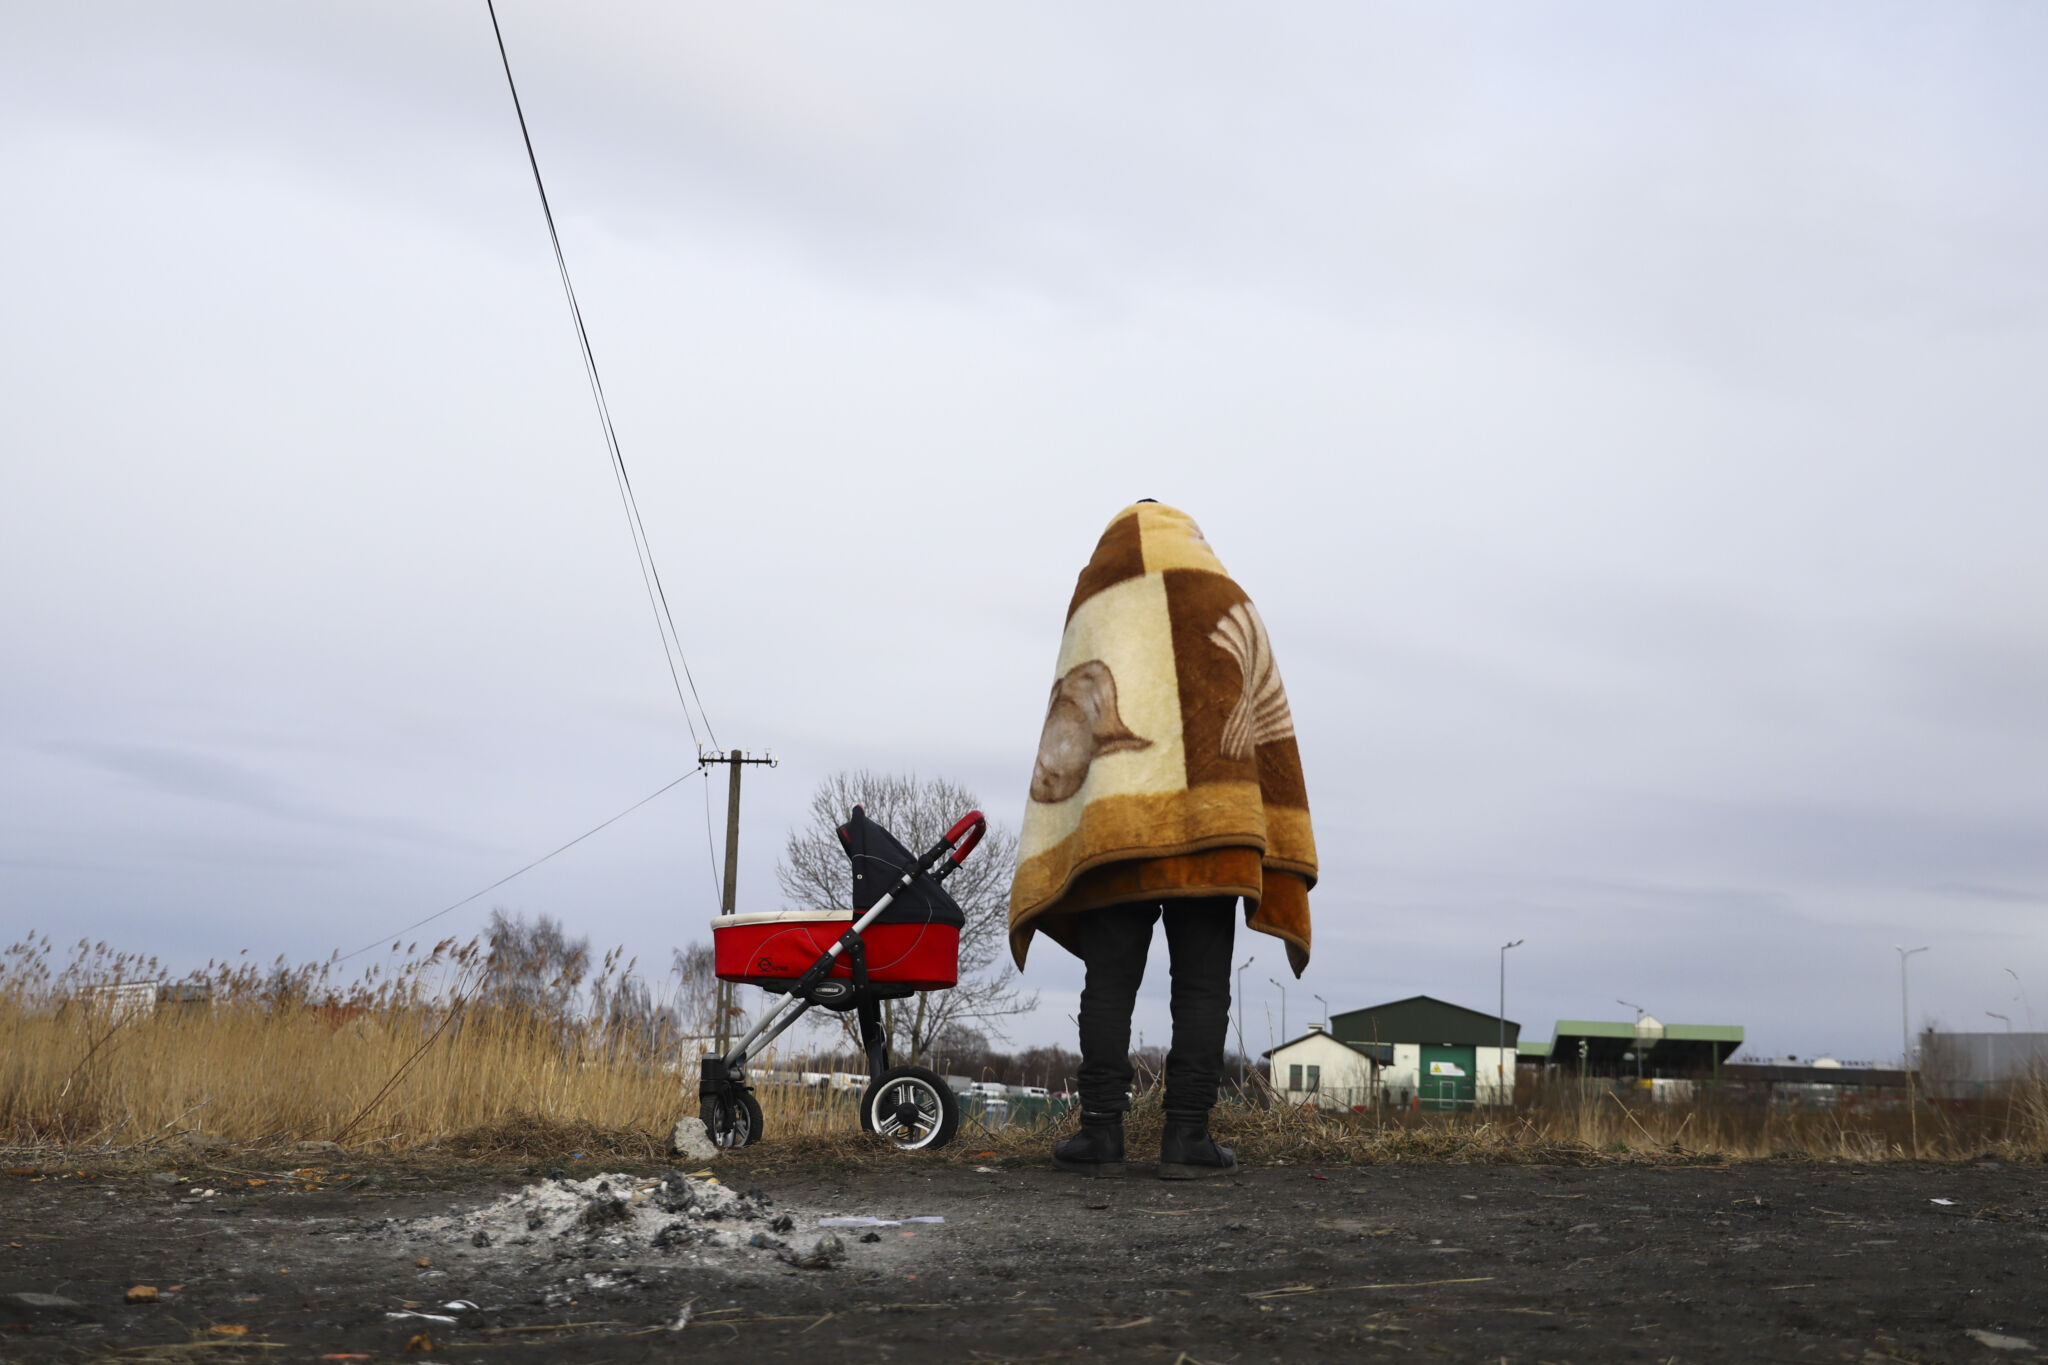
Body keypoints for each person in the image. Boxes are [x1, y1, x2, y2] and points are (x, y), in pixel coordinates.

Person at [1007, 501, 1318, 1178]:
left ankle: (1101, 1134)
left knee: (1108, 981)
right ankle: (1187, 1138)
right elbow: (1266, 716)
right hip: (1217, 826)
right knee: (1203, 984)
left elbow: (1069, 715)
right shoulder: (1229, 595)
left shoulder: (1096, 603)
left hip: (1121, 821)